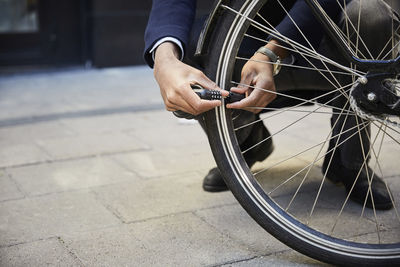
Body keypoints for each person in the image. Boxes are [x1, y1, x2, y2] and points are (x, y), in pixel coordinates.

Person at [144, 0, 396, 210]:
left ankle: (350, 162)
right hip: (251, 35)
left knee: (370, 14)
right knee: (189, 46)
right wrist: (164, 60)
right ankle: (246, 142)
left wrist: (274, 50)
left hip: (331, 31)